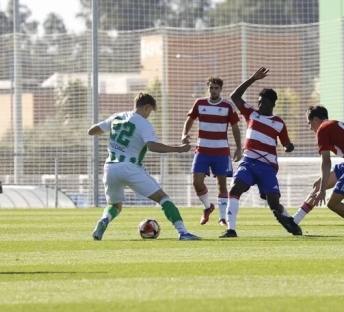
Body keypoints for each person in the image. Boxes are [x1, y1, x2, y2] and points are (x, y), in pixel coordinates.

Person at [88, 92, 201, 241]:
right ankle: (183, 232)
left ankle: (104, 220)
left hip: (110, 168)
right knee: (162, 198)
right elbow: (152, 146)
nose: (149, 115)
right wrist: (178, 149)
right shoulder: (144, 124)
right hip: (130, 167)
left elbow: (92, 131)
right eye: (150, 112)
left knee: (115, 205)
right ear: (147, 107)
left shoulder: (117, 116)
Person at [219, 67, 296, 238]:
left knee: (274, 204)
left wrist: (288, 147)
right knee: (235, 189)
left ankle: (292, 223)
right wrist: (253, 79)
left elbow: (286, 143)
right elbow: (235, 97)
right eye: (259, 101)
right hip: (248, 162)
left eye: (265, 103)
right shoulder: (251, 114)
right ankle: (231, 230)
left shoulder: (278, 123)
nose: (260, 105)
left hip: (267, 166)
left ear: (273, 105)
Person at [281, 106, 344, 237]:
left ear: (316, 119)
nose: (310, 128)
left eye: (310, 123)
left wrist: (324, 190)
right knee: (317, 184)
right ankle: (294, 222)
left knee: (332, 203)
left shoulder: (323, 129)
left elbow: (326, 162)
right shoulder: (337, 124)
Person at [181, 77, 242, 227]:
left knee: (221, 185)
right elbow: (190, 119)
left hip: (221, 152)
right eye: (211, 88)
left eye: (216, 88)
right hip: (202, 151)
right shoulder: (200, 103)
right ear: (207, 89)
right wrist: (184, 134)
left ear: (221, 89)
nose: (213, 90)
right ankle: (208, 207)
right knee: (196, 181)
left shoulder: (228, 106)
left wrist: (239, 148)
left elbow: (235, 127)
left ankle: (222, 218)